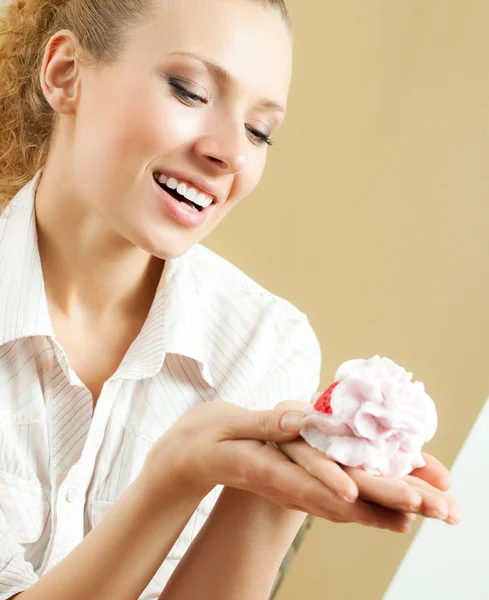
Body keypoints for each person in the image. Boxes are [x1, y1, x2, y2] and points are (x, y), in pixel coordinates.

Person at [0, 0, 460, 599]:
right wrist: (178, 474)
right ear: (65, 74)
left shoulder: (266, 346)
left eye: (259, 130)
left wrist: (272, 493)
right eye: (189, 91)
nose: (231, 154)